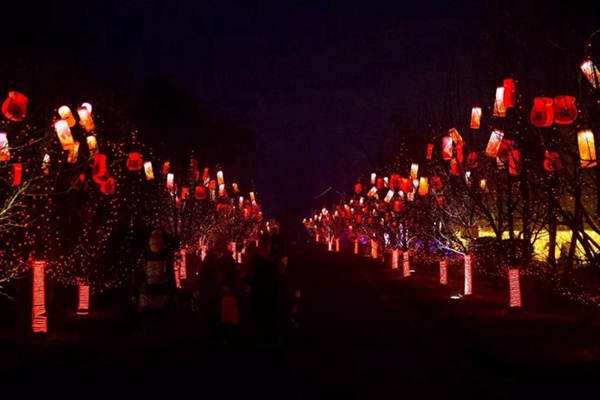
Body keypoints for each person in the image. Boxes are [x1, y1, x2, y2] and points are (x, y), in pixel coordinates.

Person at [131, 229, 176, 345]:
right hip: (152, 292)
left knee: (158, 320)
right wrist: (135, 292)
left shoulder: (163, 258)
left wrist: (173, 292)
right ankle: (153, 342)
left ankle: (157, 342)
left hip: (160, 292)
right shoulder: (147, 258)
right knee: (152, 320)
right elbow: (141, 276)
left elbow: (170, 276)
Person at [195, 231, 238, 344]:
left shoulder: (229, 259)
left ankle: (224, 337)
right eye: (222, 243)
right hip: (211, 292)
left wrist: (229, 286)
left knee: (224, 315)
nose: (224, 245)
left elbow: (234, 275)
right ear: (217, 244)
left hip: (224, 292)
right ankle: (213, 336)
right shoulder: (209, 259)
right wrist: (199, 288)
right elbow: (202, 274)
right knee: (212, 315)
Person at [250, 233, 283, 345]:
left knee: (269, 322)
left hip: (269, 295)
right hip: (262, 294)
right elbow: (253, 277)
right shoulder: (258, 261)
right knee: (263, 322)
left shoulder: (273, 260)